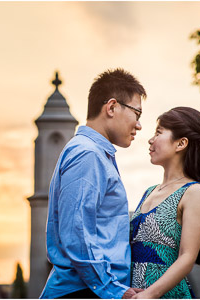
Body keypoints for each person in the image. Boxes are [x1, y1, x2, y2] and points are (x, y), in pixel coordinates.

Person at [41, 68, 146, 299]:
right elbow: (78, 235)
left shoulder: (95, 154)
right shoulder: (88, 155)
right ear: (111, 107)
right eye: (136, 113)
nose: (139, 125)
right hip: (83, 292)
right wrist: (115, 292)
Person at [129, 107, 200, 298]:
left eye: (159, 132)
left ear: (181, 143)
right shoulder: (148, 192)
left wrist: (149, 295)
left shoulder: (193, 192)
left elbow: (187, 258)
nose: (150, 139)